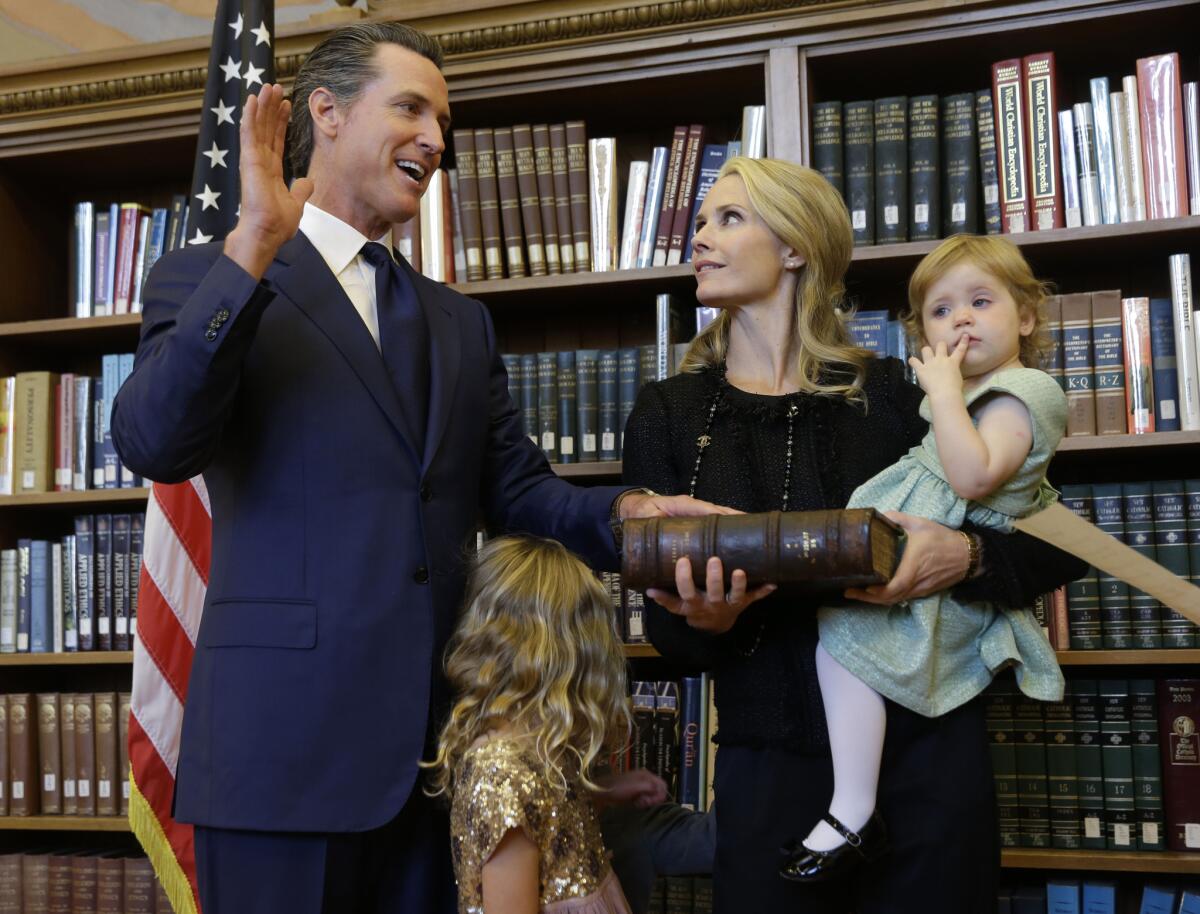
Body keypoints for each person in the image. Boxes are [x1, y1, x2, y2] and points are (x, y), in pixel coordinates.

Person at [110, 22, 723, 914]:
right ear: (325, 112)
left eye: (443, 119)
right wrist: (249, 248)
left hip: (436, 756)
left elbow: (519, 493)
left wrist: (634, 514)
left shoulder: (455, 322)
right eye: (411, 109)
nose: (437, 140)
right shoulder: (208, 275)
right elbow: (155, 441)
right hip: (282, 759)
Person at [620, 157, 1088, 913]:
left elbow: (1061, 542)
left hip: (929, 760)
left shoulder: (902, 394)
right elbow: (669, 636)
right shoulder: (668, 414)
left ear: (797, 246)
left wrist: (962, 555)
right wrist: (706, 622)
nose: (698, 238)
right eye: (700, 222)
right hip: (766, 770)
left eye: (728, 219)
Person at [782, 234, 1067, 882]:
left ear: (1025, 317)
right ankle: (854, 806)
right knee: (841, 645)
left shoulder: (1024, 393)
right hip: (921, 535)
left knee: (845, 643)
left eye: (980, 300)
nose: (960, 318)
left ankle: (854, 809)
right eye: (940, 310)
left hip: (945, 555)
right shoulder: (983, 393)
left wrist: (939, 391)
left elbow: (971, 478)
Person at [425, 535, 668, 914]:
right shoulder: (499, 775)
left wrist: (606, 790)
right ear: (568, 658)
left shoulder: (540, 744)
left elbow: (552, 816)